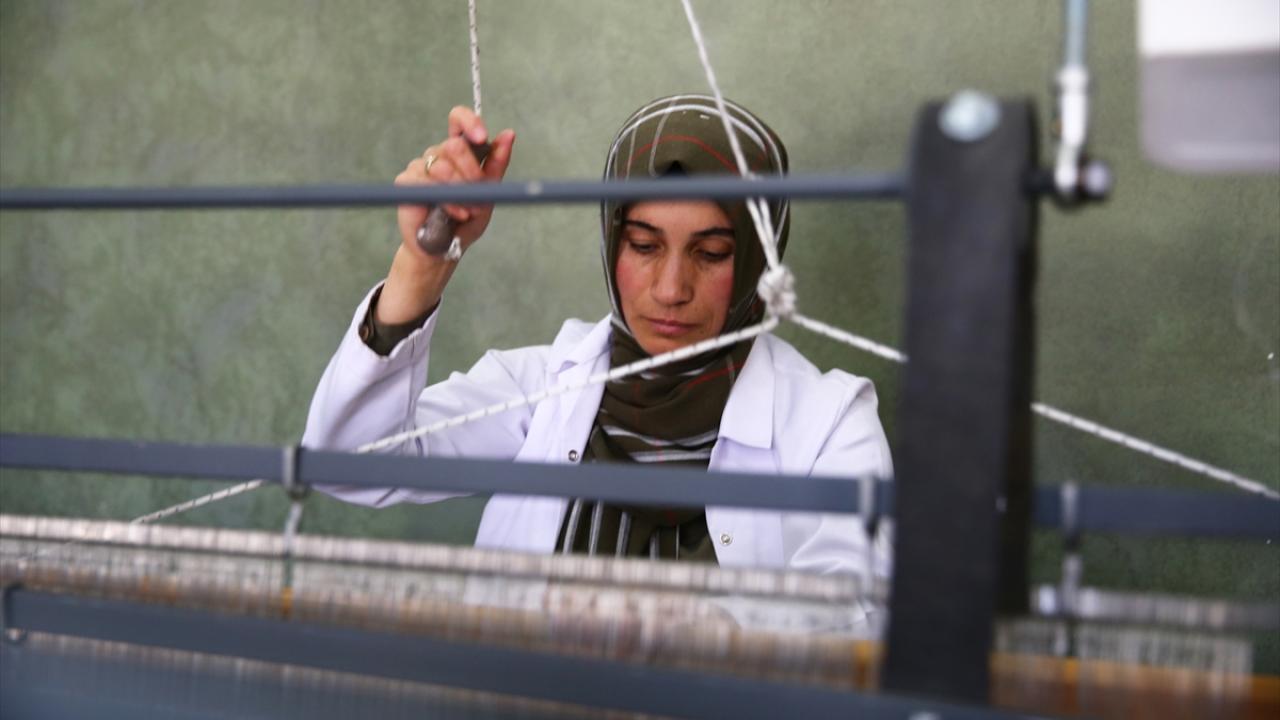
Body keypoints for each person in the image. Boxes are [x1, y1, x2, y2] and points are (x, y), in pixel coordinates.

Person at [303, 95, 892, 575]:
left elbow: (858, 618)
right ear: (612, 243)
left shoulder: (830, 423)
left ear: (761, 259)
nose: (671, 289)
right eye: (644, 245)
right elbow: (347, 462)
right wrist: (423, 262)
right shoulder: (539, 388)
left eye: (711, 253)